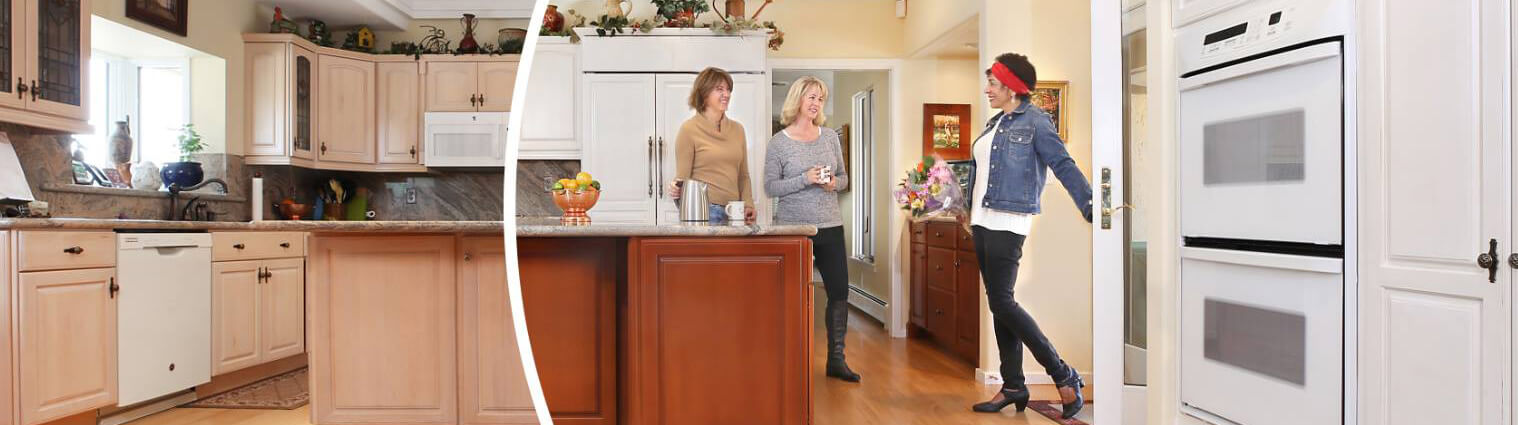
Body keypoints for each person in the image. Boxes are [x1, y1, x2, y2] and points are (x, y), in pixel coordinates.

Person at [965, 53, 1093, 419]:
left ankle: (1062, 372)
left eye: (992, 82)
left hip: (1009, 220)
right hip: (982, 220)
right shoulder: (996, 122)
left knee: (1003, 302)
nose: (987, 89)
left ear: (1010, 86)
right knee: (997, 304)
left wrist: (1089, 204)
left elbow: (1062, 163)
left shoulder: (1035, 122)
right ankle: (1014, 385)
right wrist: (965, 210)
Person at [763, 76, 859, 382]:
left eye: (820, 98)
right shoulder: (779, 142)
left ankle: (836, 360)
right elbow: (770, 186)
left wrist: (833, 183)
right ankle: (787, 359)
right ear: (797, 100)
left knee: (839, 292)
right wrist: (805, 178)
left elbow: (844, 178)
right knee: (789, 294)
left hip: (830, 225)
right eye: (811, 97)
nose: (816, 103)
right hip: (792, 229)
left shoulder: (830, 137)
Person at [669, 67, 756, 223]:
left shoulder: (738, 130)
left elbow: (743, 176)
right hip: (705, 212)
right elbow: (683, 180)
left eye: (728, 89)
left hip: (735, 212)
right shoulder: (689, 129)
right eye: (719, 89)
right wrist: (676, 188)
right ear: (704, 93)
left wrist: (748, 204)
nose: (727, 94)